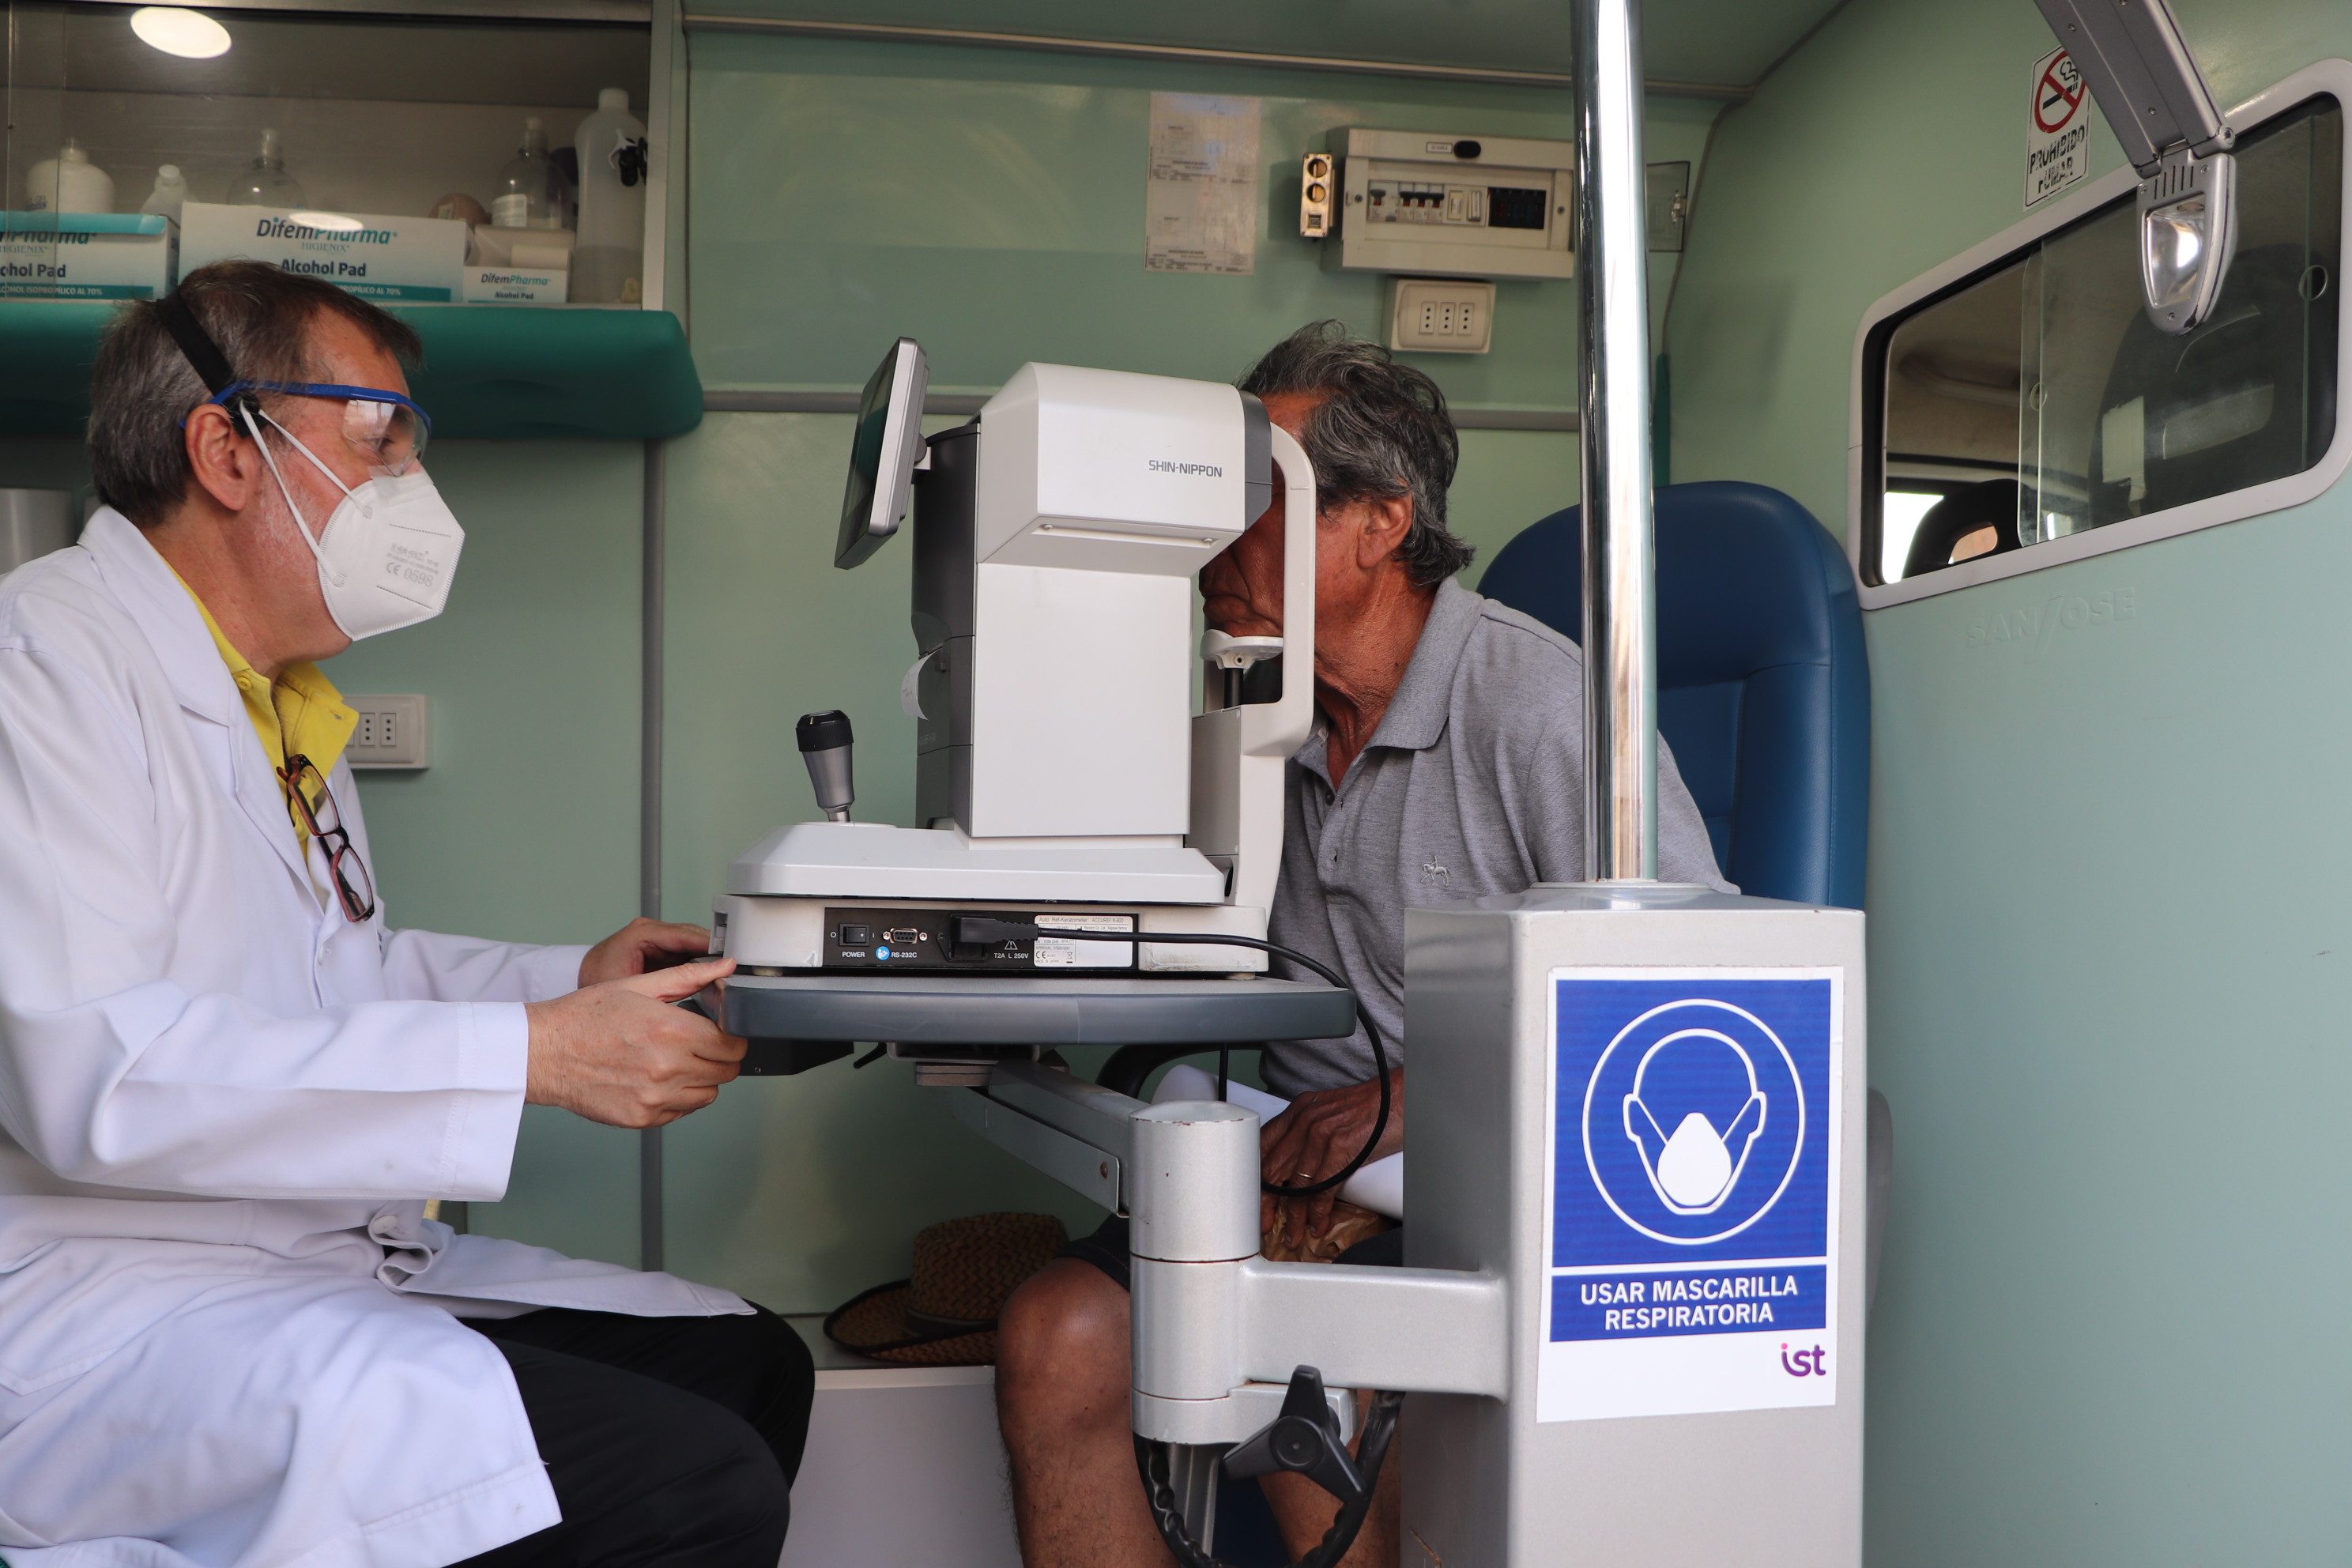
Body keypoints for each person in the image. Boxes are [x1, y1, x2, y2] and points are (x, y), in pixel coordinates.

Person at [0, 262, 812, 1568]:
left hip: (292, 1263)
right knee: (691, 1485)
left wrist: (571, 985)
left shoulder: (276, 698)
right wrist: (538, 1056)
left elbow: (339, 976)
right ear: (226, 451)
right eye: (379, 437)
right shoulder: (43, 666)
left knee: (750, 1365)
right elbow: (103, 1073)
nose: (411, 483)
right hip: (103, 1310)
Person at [993, 322, 1731, 1567]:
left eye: (1255, 501)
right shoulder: (1254, 710)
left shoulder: (1539, 707)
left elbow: (1697, 1013)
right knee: (1057, 1335)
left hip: (1480, 1187)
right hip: (1287, 1170)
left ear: (1381, 522)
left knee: (1311, 1368)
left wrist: (1398, 1113)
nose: (1213, 545)